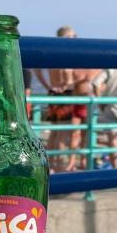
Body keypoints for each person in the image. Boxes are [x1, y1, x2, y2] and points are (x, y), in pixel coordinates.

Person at [34, 26, 80, 172]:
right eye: (71, 36)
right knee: (62, 132)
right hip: (65, 94)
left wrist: (48, 86)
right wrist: (68, 83)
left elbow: (36, 68)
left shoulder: (52, 52)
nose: (74, 39)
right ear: (64, 38)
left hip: (53, 93)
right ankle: (59, 166)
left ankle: (51, 165)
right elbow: (66, 72)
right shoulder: (65, 54)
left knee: (55, 131)